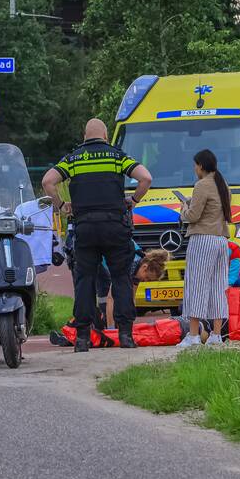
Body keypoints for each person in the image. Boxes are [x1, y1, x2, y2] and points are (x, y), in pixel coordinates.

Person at [42, 118, 153, 351]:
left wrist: (62, 205)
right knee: (121, 278)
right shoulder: (116, 156)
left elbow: (48, 182)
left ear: (84, 136)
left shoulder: (74, 159)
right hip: (115, 227)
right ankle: (125, 335)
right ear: (105, 135)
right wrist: (133, 200)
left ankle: (82, 337)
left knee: (85, 281)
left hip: (85, 228)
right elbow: (146, 178)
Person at [49, 247, 170, 347]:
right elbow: (111, 298)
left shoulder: (138, 269)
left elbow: (131, 300)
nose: (145, 281)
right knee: (93, 304)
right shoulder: (130, 265)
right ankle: (72, 334)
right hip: (92, 258)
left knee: (106, 313)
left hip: (102, 261)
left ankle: (74, 337)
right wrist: (112, 330)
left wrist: (128, 325)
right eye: (147, 278)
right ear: (145, 267)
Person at [177, 149, 232, 348]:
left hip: (203, 240)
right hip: (220, 240)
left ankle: (192, 336)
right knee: (218, 288)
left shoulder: (202, 185)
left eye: (195, 165)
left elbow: (193, 216)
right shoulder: (223, 184)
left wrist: (184, 207)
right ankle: (216, 335)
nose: (194, 169)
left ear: (201, 165)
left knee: (196, 286)